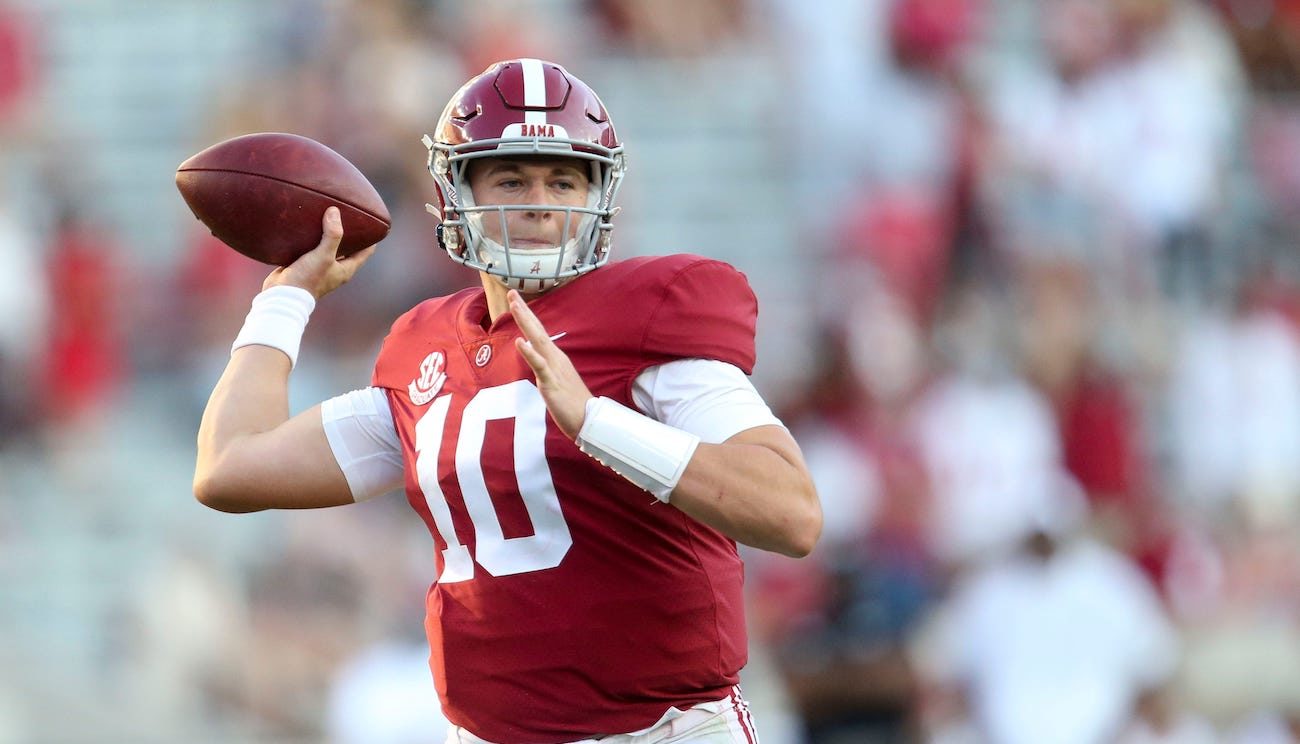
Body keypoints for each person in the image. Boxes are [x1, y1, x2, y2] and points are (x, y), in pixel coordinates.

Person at [192, 58, 822, 744]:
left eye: (563, 179)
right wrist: (285, 298)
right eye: (512, 178)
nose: (539, 202)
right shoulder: (425, 348)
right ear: (455, 192)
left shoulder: (651, 313)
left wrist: (595, 423)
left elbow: (791, 514)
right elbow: (231, 467)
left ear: (599, 196)